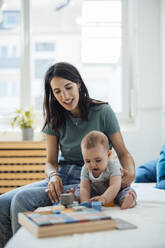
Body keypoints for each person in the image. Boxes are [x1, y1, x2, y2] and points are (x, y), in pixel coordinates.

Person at [0, 62, 136, 248]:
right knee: (2, 203)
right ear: (52, 94)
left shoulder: (103, 112)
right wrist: (53, 176)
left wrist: (130, 171)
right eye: (57, 91)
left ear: (78, 84)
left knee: (21, 200)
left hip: (88, 178)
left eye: (68, 87)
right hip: (62, 176)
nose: (64, 96)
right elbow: (50, 162)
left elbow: (123, 152)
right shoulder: (55, 118)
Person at [75, 130, 136, 208]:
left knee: (127, 191)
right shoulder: (85, 168)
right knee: (79, 189)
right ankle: (75, 198)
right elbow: (85, 187)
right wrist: (85, 203)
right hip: (96, 192)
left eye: (98, 160)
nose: (93, 165)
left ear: (108, 155)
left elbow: (114, 186)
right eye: (88, 161)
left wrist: (104, 198)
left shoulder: (113, 166)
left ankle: (127, 200)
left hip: (116, 191)